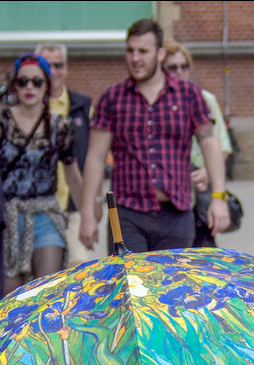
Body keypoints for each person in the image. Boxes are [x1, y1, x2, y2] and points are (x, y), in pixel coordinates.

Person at [79, 19, 229, 254]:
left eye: (143, 51)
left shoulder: (188, 94)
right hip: (127, 215)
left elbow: (210, 145)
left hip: (176, 214)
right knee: (130, 289)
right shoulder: (112, 98)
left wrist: (219, 198)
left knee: (174, 290)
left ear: (160, 54)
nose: (135, 58)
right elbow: (96, 158)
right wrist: (88, 213)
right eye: (130, 51)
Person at [0, 53, 84, 295]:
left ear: (47, 86)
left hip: (46, 213)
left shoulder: (60, 125)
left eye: (37, 82)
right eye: (23, 82)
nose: (29, 87)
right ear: (14, 86)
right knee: (10, 301)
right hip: (9, 216)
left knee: (47, 294)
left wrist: (88, 217)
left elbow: (71, 172)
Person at [162, 41, 234, 248]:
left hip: (201, 190)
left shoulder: (204, 99)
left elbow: (224, 146)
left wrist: (206, 172)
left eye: (184, 66)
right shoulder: (155, 103)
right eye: (172, 67)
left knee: (203, 256)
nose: (179, 72)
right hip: (172, 194)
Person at [35, 42, 93, 266]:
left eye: (58, 65)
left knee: (79, 264)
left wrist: (92, 202)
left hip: (74, 203)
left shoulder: (83, 106)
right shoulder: (26, 106)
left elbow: (92, 157)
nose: (53, 72)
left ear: (66, 68)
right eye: (47, 66)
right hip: (39, 206)